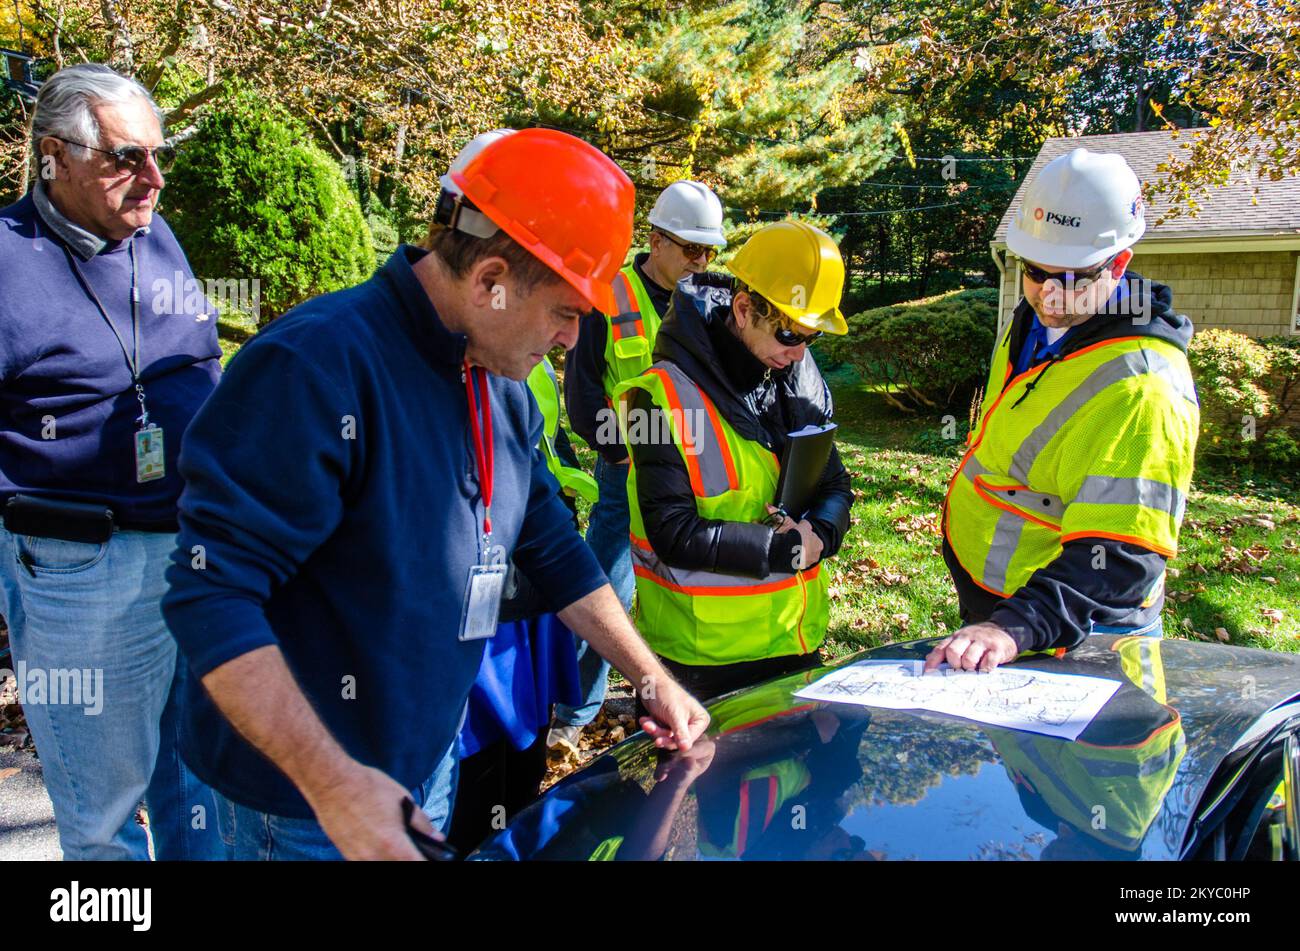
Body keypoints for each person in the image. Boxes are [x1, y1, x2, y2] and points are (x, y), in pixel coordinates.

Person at [162, 128, 709, 860]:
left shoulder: (498, 380)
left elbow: (550, 545)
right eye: (566, 311)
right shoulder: (315, 366)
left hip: (423, 770)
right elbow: (210, 596)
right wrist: (334, 785)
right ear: (491, 279)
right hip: (297, 804)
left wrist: (648, 675)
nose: (573, 340)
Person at [0, 63, 222, 860]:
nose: (153, 178)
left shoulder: (153, 232)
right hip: (78, 567)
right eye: (127, 157)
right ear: (53, 155)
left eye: (160, 155)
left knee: (200, 790)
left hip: (190, 550)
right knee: (105, 824)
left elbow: (200, 359)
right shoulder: (5, 261)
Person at [929, 148, 1200, 674]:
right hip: (1001, 603)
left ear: (1118, 264)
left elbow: (1122, 557)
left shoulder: (1145, 389)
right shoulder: (1034, 317)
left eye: (1072, 277)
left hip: (1076, 627)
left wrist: (1015, 627)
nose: (1048, 294)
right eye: (1035, 271)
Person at [618, 220, 854, 703]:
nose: (799, 352)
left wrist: (821, 537)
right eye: (789, 333)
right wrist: (783, 550)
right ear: (743, 309)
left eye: (812, 337)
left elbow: (835, 485)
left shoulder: (797, 380)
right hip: (701, 664)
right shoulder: (656, 397)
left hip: (794, 643)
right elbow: (672, 532)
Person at [553, 180, 727, 749]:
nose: (702, 262)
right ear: (656, 240)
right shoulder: (609, 297)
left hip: (697, 480)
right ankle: (573, 713)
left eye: (710, 252)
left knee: (685, 587)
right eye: (691, 250)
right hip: (624, 476)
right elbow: (583, 406)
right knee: (605, 589)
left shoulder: (711, 305)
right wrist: (640, 452)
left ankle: (680, 691)